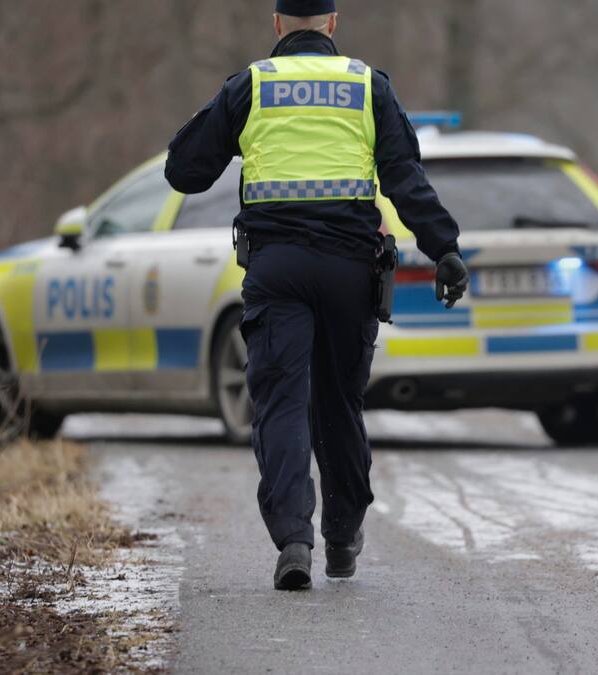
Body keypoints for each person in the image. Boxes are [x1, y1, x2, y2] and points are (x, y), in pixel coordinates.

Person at [165, 0, 468, 590]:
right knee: (339, 404)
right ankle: (342, 538)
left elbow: (184, 171)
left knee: (280, 402)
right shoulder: (367, 86)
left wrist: (223, 122)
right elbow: (406, 179)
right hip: (349, 270)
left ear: (277, 23)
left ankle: (294, 540)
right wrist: (445, 248)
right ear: (333, 22)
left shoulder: (251, 85)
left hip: (277, 268)